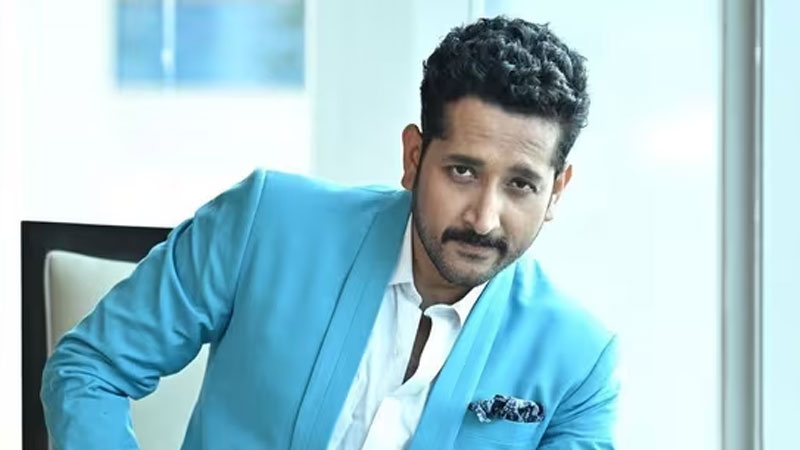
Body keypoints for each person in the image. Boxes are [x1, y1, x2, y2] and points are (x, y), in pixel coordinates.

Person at [41, 16, 618, 450]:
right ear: (414, 157)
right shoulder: (265, 223)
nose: (485, 218)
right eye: (462, 172)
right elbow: (91, 369)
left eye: (520, 184)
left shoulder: (579, 361)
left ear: (556, 191)